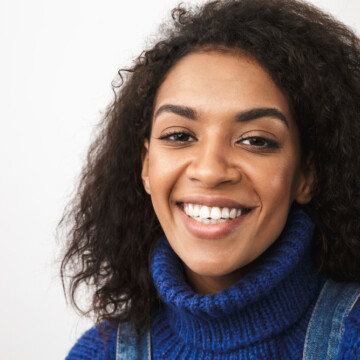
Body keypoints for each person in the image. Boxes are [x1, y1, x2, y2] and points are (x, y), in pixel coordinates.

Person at [61, 0, 360, 358]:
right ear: (146, 166)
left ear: (306, 175)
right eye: (179, 136)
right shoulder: (100, 353)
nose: (210, 171)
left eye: (255, 140)